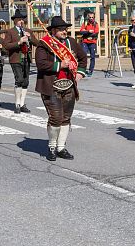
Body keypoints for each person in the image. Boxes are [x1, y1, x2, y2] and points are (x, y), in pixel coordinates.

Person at [35, 16, 87, 161]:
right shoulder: (44, 44)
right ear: (53, 30)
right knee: (55, 118)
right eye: (61, 29)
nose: (65, 31)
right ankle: (52, 147)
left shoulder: (71, 42)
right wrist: (60, 65)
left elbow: (83, 58)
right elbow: (40, 63)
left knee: (66, 118)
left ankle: (61, 147)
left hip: (69, 86)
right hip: (52, 87)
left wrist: (79, 75)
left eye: (65, 29)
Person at [2, 9, 38, 114]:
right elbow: (6, 46)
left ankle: (22, 104)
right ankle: (17, 104)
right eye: (19, 19)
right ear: (15, 21)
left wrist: (30, 37)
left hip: (26, 58)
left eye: (22, 19)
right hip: (16, 59)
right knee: (19, 80)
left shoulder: (28, 31)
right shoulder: (10, 31)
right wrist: (19, 42)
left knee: (26, 81)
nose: (21, 21)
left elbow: (36, 43)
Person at [80, 12, 99, 77]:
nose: (91, 18)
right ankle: (83, 69)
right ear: (88, 17)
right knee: (84, 56)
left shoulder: (95, 24)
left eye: (92, 17)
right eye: (90, 17)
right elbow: (81, 32)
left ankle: (91, 70)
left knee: (92, 57)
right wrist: (88, 31)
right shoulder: (85, 23)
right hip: (85, 42)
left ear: (94, 17)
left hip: (92, 42)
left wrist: (86, 32)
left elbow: (96, 33)